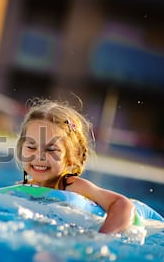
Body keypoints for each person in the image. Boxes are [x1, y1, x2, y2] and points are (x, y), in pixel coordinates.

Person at [15, 98, 135, 234]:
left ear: (72, 156)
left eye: (51, 150)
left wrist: (102, 238)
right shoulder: (22, 187)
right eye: (31, 147)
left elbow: (122, 204)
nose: (39, 157)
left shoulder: (72, 186)